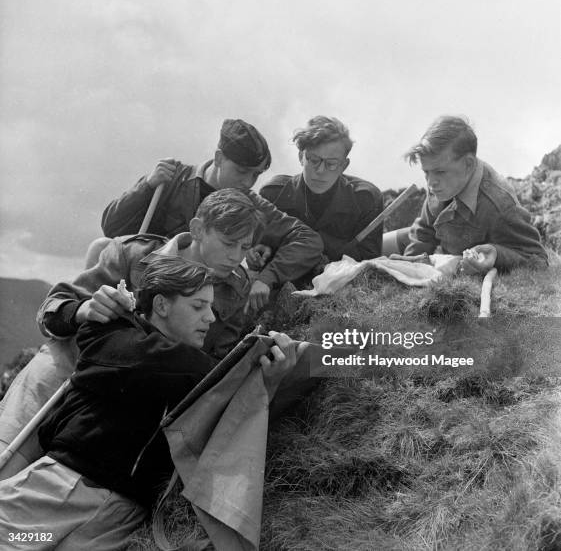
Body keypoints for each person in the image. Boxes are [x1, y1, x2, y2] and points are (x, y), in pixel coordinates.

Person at [0, 257, 307, 550]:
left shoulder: (199, 372)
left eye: (211, 307)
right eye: (199, 306)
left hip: (120, 516)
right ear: (161, 305)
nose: (210, 318)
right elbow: (159, 362)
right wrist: (242, 364)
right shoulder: (112, 332)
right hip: (60, 488)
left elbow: (231, 417)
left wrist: (267, 379)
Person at [0, 189, 261, 478]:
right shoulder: (133, 253)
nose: (237, 257)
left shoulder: (236, 287)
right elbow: (51, 309)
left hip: (125, 400)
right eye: (228, 244)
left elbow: (217, 357)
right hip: (69, 366)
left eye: (245, 248)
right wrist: (83, 309)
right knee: (5, 458)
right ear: (198, 229)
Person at [99, 118, 323, 310]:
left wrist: (267, 277)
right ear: (218, 158)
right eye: (241, 171)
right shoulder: (171, 178)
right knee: (99, 247)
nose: (248, 182)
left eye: (256, 175)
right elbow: (112, 227)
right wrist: (147, 186)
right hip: (148, 281)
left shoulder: (251, 204)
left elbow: (308, 240)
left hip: (204, 297)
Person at [400, 115, 548, 273]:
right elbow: (423, 231)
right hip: (435, 240)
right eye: (426, 172)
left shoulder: (499, 206)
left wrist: (496, 254)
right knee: (374, 245)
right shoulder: (443, 183)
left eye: (440, 172)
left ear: (468, 164)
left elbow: (537, 259)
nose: (430, 183)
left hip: (456, 253)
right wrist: (408, 269)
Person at [259, 116, 384, 264]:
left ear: (344, 166)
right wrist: (258, 252)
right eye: (313, 160)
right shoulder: (272, 195)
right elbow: (259, 248)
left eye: (331, 163)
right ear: (301, 157)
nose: (320, 170)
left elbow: (369, 262)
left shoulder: (367, 199)